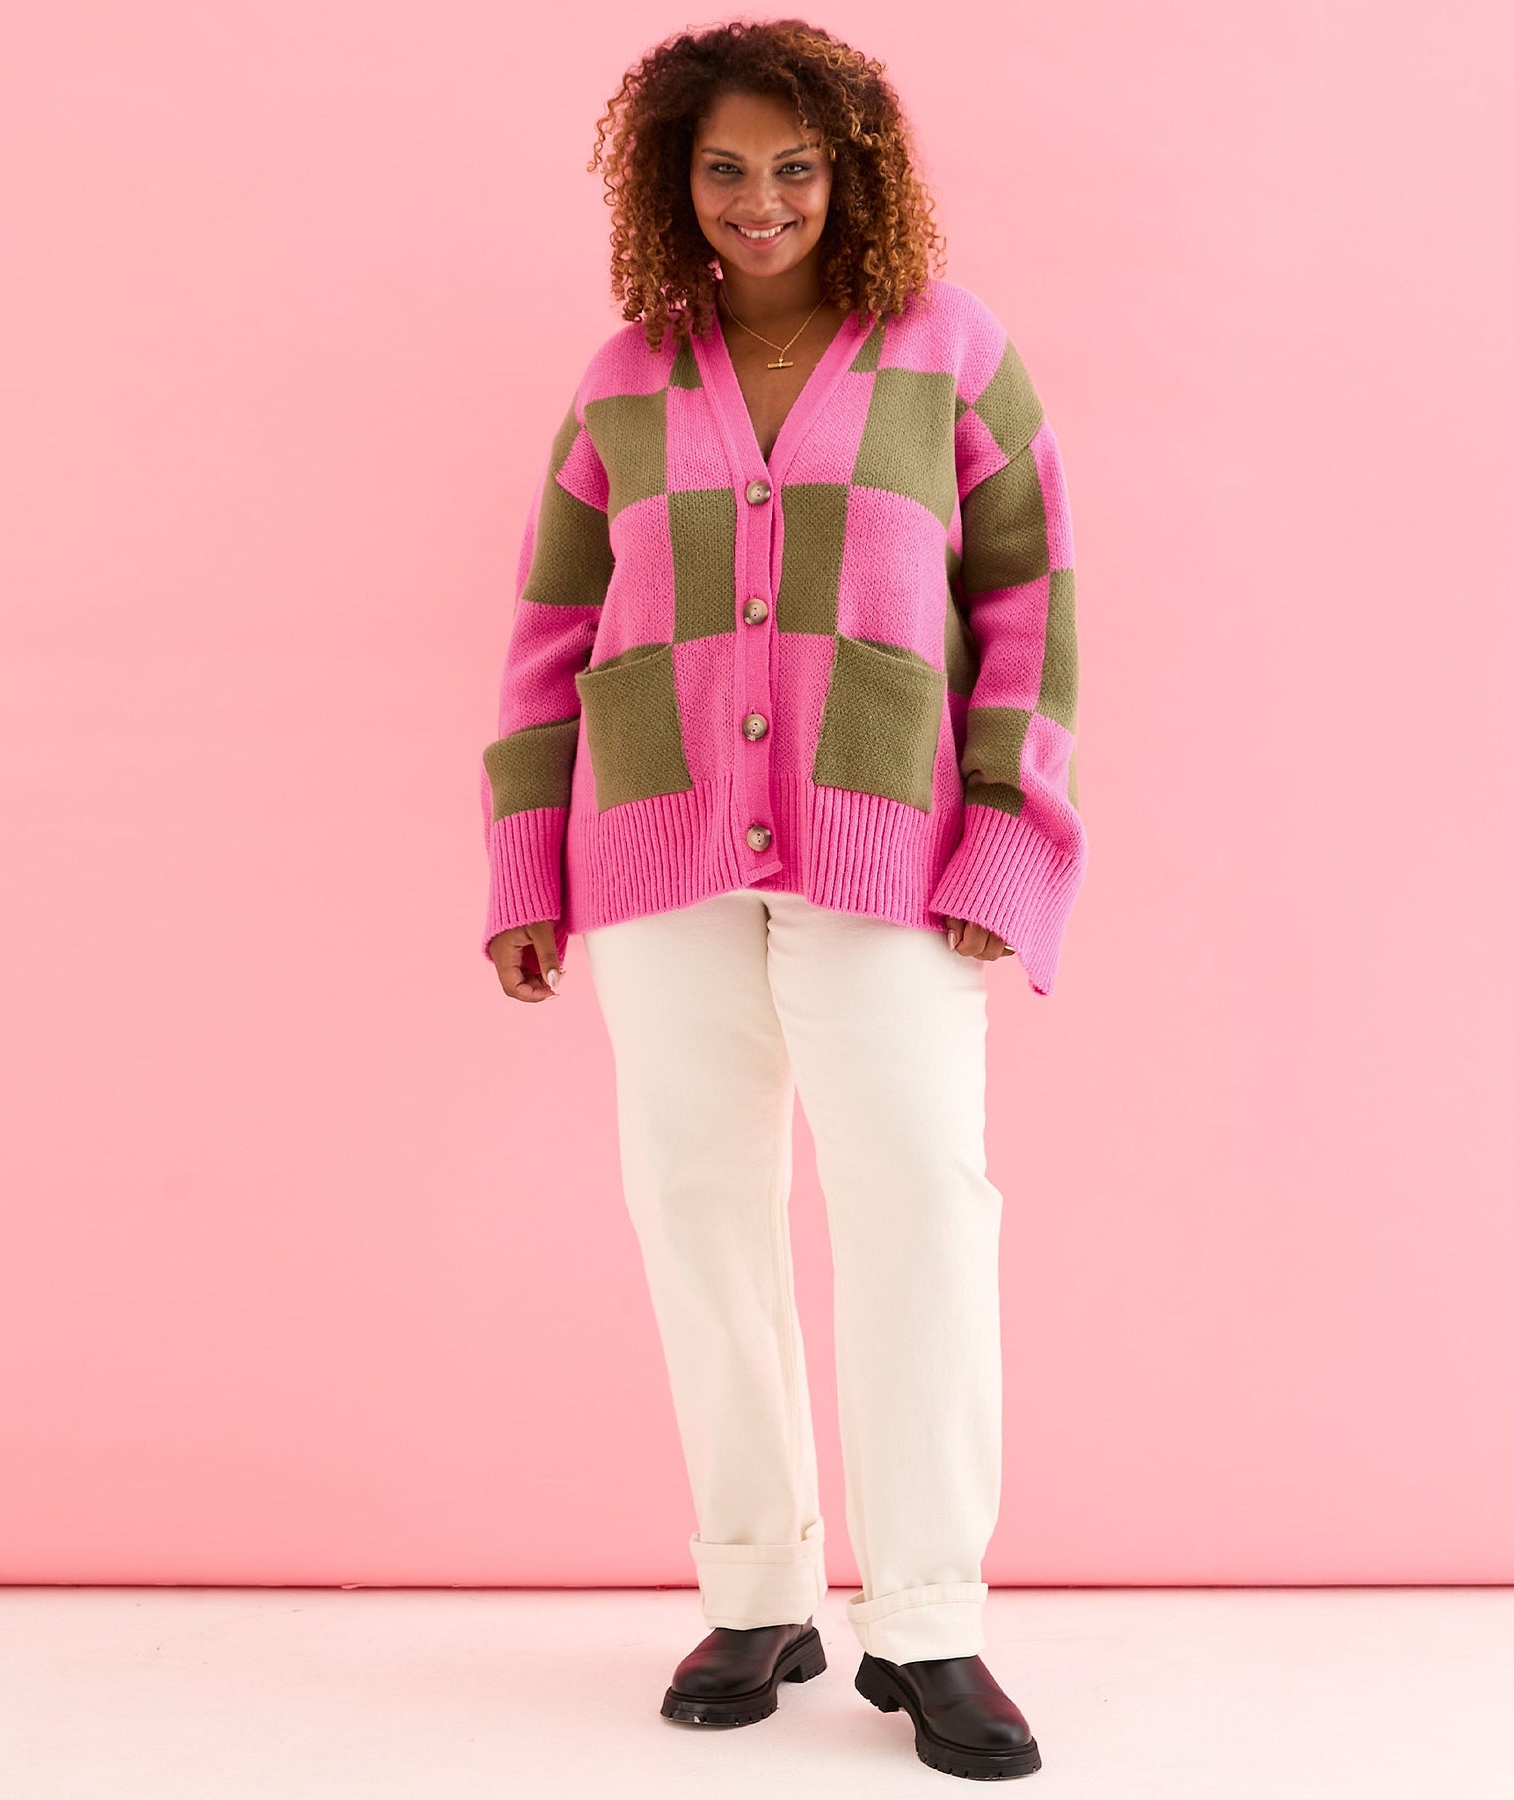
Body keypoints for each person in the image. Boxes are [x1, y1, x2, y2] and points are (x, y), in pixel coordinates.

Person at [478, 19, 1085, 1782]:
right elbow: (549, 630)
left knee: (920, 1207)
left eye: (796, 167)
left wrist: (1008, 835)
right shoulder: (623, 378)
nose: (761, 200)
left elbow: (1034, 605)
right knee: (699, 1208)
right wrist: (526, 864)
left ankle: (930, 1620)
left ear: (853, 175)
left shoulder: (952, 354)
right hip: (655, 850)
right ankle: (758, 1592)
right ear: (674, 179)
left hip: (886, 851)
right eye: (727, 168)